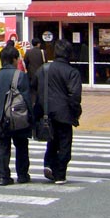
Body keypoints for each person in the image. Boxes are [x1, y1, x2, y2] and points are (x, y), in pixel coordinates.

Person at [31, 38, 82, 185]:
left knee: (51, 142)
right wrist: (76, 112)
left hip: (45, 112)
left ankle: (48, 165)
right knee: (64, 143)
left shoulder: (44, 69)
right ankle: (60, 174)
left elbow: (33, 86)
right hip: (64, 113)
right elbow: (75, 96)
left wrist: (39, 104)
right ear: (69, 54)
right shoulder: (72, 72)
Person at [0, 45, 33, 186]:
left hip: (1, 117)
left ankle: (4, 176)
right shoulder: (21, 76)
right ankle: (22, 175)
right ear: (14, 59)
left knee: (2, 146)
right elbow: (27, 99)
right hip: (19, 118)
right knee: (21, 146)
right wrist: (30, 118)